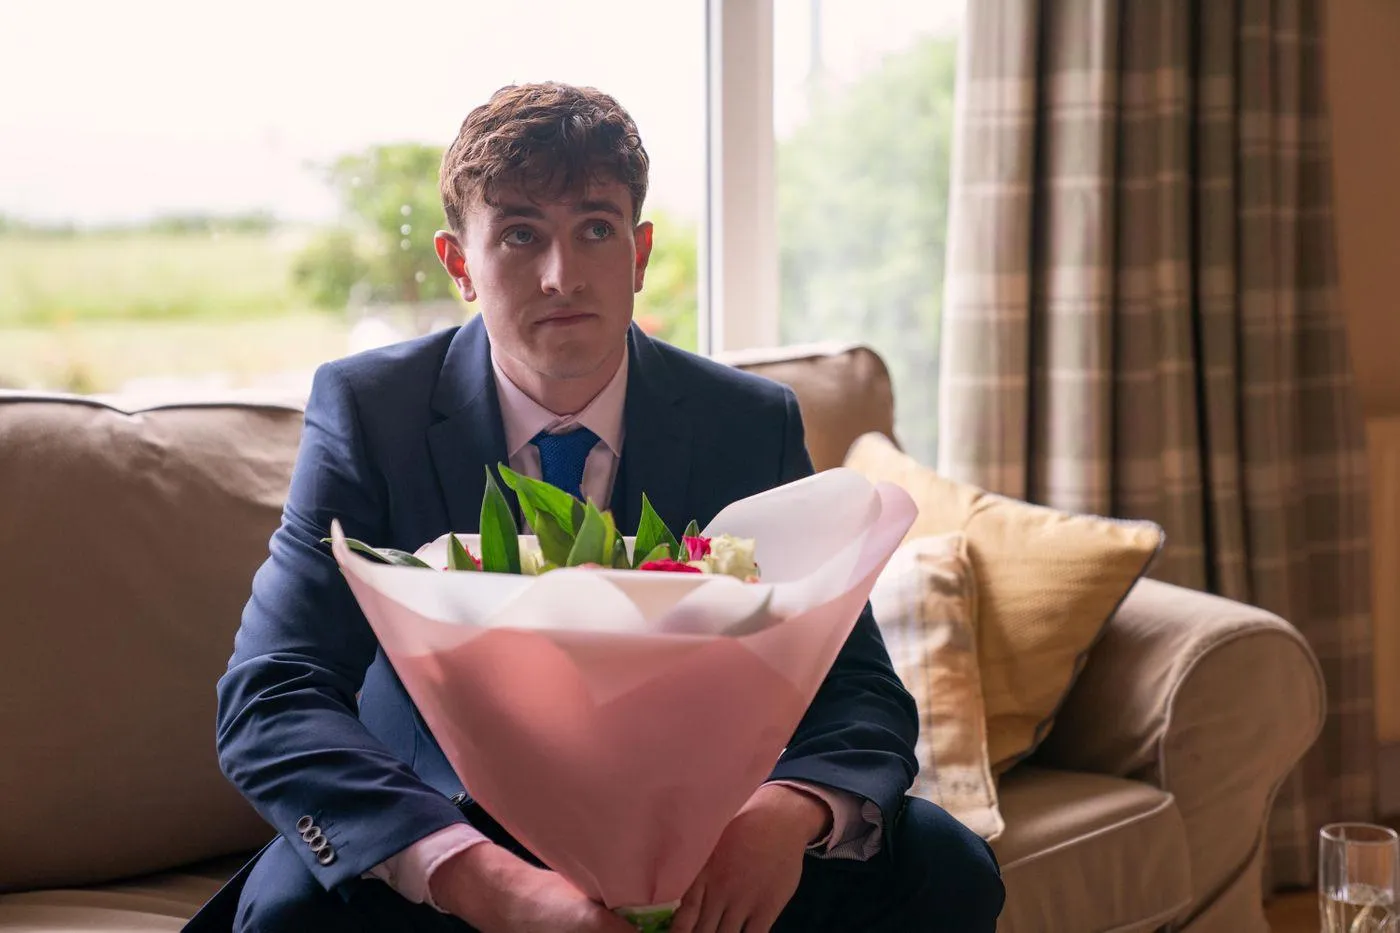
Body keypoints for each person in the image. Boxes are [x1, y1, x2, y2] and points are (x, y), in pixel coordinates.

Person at [185, 82, 1003, 933]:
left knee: (946, 867)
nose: (562, 275)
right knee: (286, 916)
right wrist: (487, 884)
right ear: (459, 264)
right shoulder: (370, 412)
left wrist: (783, 812)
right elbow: (271, 692)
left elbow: (858, 687)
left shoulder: (748, 421)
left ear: (639, 253)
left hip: (704, 835)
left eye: (596, 229)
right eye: (520, 234)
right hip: (450, 830)